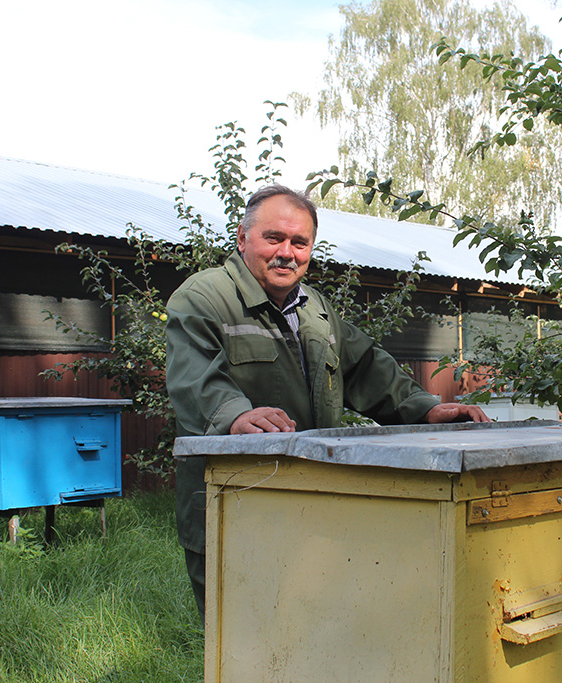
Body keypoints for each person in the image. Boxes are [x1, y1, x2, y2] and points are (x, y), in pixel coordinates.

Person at [165, 184, 489, 616]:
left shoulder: (315, 309)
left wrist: (425, 407)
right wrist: (237, 415)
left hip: (310, 502)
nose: (287, 252)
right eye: (273, 238)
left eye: (300, 242)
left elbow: (366, 367)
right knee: (241, 641)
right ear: (243, 238)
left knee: (310, 633)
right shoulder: (202, 299)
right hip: (234, 503)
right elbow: (194, 379)